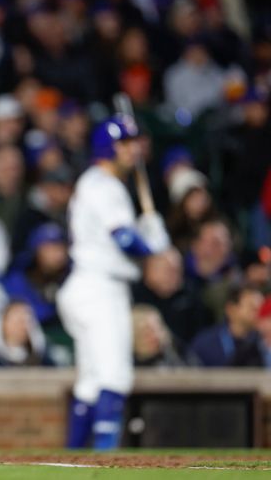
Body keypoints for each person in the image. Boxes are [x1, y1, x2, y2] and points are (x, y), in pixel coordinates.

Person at [57, 115, 181, 450]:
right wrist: (153, 245)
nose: (133, 149)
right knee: (115, 376)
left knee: (91, 382)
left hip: (87, 286)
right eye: (124, 143)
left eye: (133, 142)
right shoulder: (105, 185)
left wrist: (149, 231)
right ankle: (104, 459)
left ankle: (72, 460)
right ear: (107, 147)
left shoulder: (97, 183)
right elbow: (125, 239)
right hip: (100, 288)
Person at [187, 283, 264, 367]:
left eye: (261, 309)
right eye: (252, 308)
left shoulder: (265, 343)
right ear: (231, 310)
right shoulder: (204, 345)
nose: (259, 313)